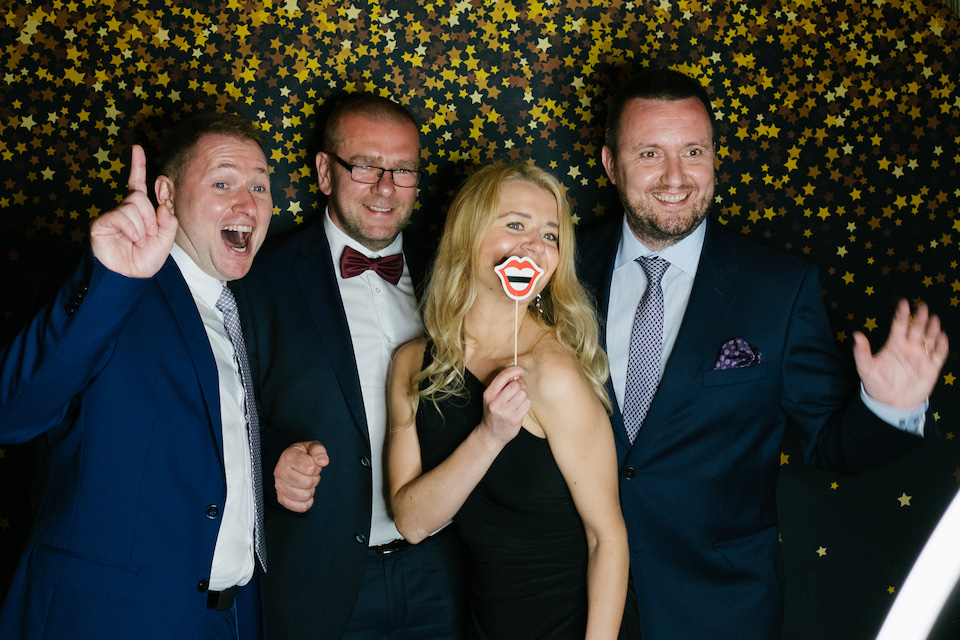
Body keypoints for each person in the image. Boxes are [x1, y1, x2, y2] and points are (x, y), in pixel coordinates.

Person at [576, 67, 950, 640]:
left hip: (720, 612)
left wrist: (886, 407)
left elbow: (830, 444)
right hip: (570, 598)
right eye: (650, 153)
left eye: (694, 151)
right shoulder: (563, 270)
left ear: (715, 160)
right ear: (610, 164)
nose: (675, 176)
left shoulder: (780, 288)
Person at [0, 112, 273, 639]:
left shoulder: (240, 312)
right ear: (166, 194)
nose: (247, 203)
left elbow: (211, 442)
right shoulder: (116, 283)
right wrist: (110, 283)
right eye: (223, 182)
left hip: (232, 619)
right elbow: (14, 413)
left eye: (259, 185)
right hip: (112, 620)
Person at [232, 94, 465, 639]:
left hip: (442, 570)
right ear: (324, 172)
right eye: (364, 166)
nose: (385, 187)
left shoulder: (455, 274)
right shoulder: (258, 280)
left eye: (403, 170)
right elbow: (212, 406)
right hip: (319, 578)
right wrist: (272, 460)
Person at [387, 163, 629, 640]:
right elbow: (412, 522)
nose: (535, 247)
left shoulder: (551, 373)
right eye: (515, 224)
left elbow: (608, 539)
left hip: (570, 625)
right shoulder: (415, 363)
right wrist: (489, 437)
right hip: (484, 624)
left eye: (551, 236)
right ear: (469, 232)